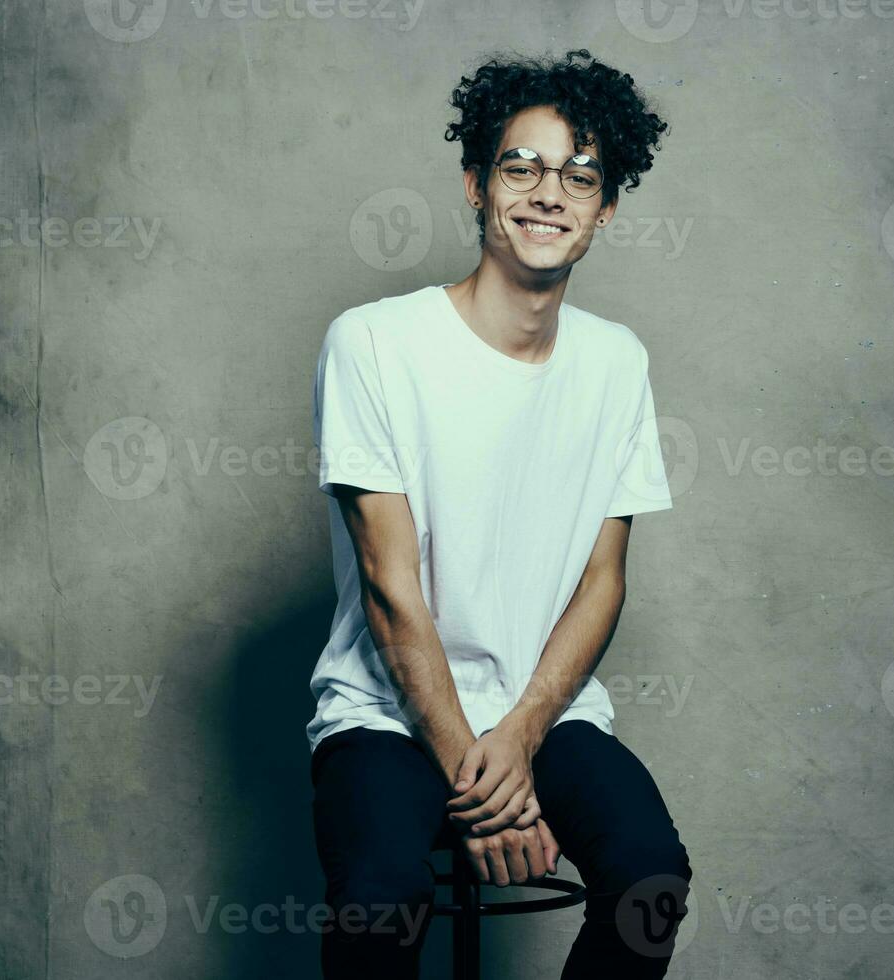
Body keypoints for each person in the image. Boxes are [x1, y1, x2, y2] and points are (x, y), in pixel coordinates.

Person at [307, 48, 692, 979]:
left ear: (604, 210)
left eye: (581, 175)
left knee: (650, 881)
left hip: (542, 714)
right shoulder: (374, 343)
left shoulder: (616, 362)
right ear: (479, 186)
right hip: (387, 714)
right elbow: (391, 590)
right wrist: (484, 787)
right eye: (522, 166)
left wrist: (518, 741)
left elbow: (603, 582)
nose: (550, 192)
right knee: (381, 905)